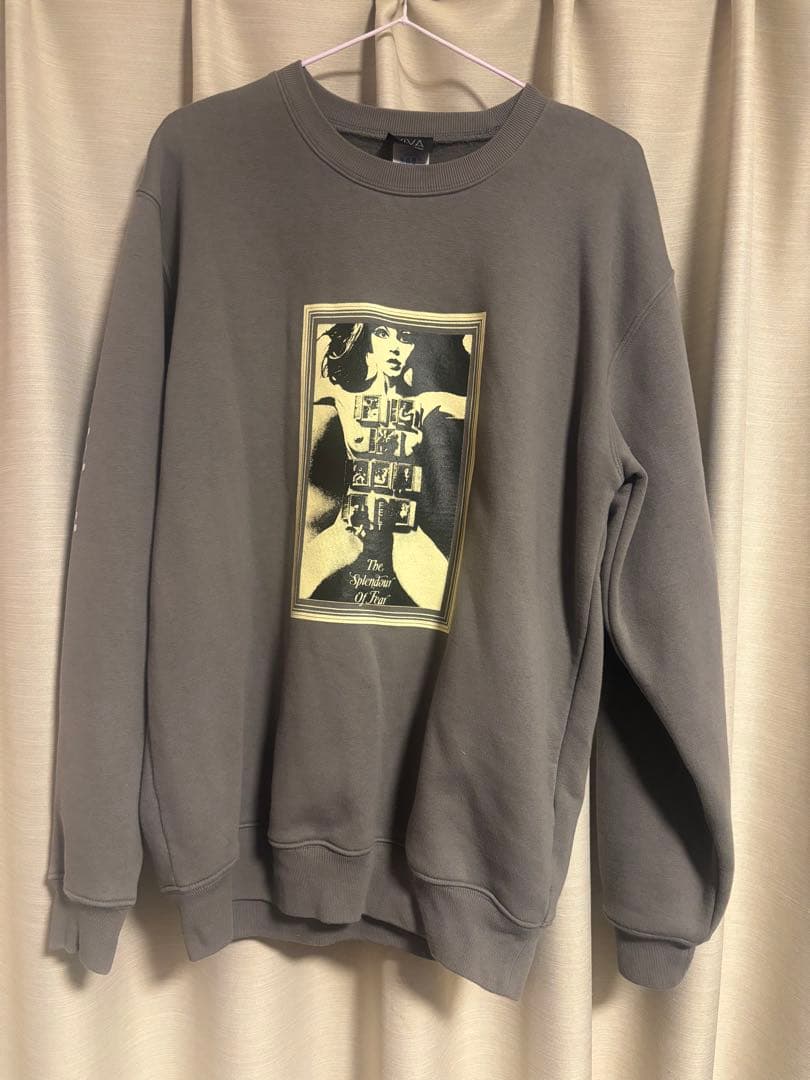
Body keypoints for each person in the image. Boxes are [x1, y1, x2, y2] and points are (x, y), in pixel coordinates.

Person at [299, 321, 468, 610]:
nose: (394, 348)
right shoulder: (344, 398)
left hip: (406, 537)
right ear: (365, 342)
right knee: (284, 600)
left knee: (453, 611)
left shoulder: (424, 402)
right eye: (381, 334)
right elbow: (288, 387)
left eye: (405, 338)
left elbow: (487, 406)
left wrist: (468, 347)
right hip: (346, 534)